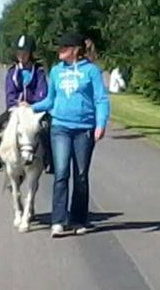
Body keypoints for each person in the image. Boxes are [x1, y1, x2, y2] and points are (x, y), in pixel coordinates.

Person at [24, 31, 109, 236]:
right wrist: (31, 107)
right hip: (60, 127)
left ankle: (78, 219)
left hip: (84, 129)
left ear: (76, 50)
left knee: (80, 175)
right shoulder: (56, 71)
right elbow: (50, 100)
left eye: (64, 47)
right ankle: (58, 220)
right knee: (61, 173)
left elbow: (101, 99)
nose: (60, 50)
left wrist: (100, 124)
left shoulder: (91, 71)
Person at [0, 33, 51, 173]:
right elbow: (10, 93)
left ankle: (49, 159)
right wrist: (17, 105)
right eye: (19, 53)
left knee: (47, 128)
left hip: (34, 109)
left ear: (30, 54)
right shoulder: (12, 71)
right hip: (16, 109)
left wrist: (31, 105)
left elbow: (42, 92)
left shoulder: (39, 71)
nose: (21, 56)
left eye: (24, 53)